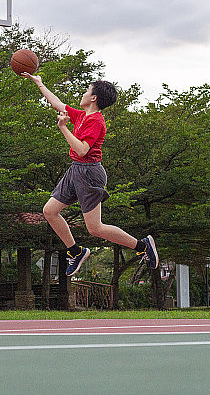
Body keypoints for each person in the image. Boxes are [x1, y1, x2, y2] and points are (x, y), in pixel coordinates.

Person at [22, 72, 158, 276]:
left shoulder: (96, 122)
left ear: (93, 98)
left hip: (89, 173)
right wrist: (40, 84)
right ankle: (75, 251)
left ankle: (142, 246)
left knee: (95, 228)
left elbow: (82, 150)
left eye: (87, 90)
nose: (83, 93)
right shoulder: (82, 115)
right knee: (50, 211)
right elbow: (57, 104)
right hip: (76, 169)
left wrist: (63, 128)